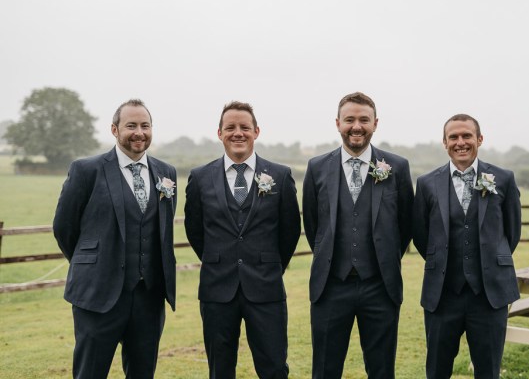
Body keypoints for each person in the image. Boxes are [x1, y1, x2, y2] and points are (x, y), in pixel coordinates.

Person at [53, 99, 178, 378]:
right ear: (114, 129)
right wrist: (92, 265)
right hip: (98, 296)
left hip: (149, 297)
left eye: (145, 125)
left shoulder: (166, 173)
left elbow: (163, 228)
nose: (139, 132)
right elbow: (64, 227)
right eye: (131, 125)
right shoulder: (87, 170)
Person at [184, 101, 301, 378]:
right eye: (231, 128)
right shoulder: (200, 178)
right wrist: (217, 261)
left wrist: (270, 266)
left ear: (256, 131)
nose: (238, 133)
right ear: (219, 133)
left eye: (244, 127)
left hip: (266, 288)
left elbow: (290, 231)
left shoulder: (280, 176)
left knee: (273, 368)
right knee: (220, 370)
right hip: (217, 290)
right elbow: (195, 230)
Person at [302, 91, 414, 378]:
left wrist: (383, 261)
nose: (356, 126)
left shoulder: (397, 167)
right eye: (349, 119)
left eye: (364, 119)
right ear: (337, 123)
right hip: (330, 286)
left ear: (375, 123)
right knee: (325, 370)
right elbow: (314, 224)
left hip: (380, 287)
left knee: (381, 370)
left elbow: (405, 225)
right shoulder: (317, 167)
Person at [413, 114, 522, 379]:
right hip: (442, 295)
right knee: (437, 371)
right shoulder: (427, 183)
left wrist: (488, 260)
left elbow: (512, 232)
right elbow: (420, 235)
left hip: (489, 295)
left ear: (479, 139)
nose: (460, 142)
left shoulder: (503, 179)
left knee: (487, 371)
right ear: (444, 142)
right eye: (453, 137)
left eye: (466, 136)